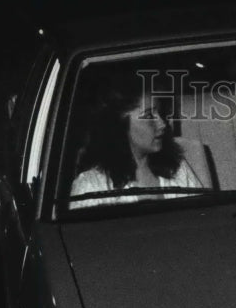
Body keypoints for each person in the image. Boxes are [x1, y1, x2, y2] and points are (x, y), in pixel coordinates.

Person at [69, 72, 204, 208]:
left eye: (160, 113)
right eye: (149, 115)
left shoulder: (177, 169)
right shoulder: (91, 188)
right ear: (119, 124)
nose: (162, 123)